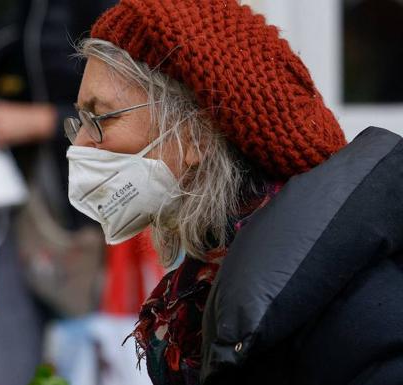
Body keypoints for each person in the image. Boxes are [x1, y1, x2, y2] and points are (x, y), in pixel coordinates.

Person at [64, 0, 403, 384]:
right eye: (79, 121)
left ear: (195, 131)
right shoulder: (214, 281)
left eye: (100, 118)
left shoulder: (344, 304)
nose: (81, 144)